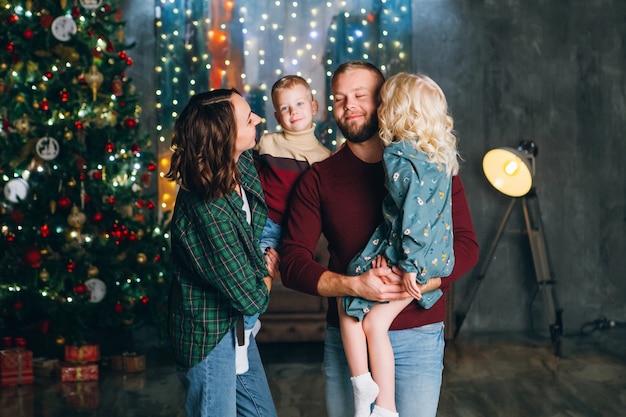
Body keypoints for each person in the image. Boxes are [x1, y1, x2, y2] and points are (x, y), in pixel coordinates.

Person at [279, 60, 479, 417]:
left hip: (417, 334)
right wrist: (354, 286)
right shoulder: (319, 178)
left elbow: (465, 245)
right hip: (349, 339)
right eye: (339, 98)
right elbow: (293, 264)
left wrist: (419, 281)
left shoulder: (429, 166)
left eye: (359, 95)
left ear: (384, 101)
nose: (348, 105)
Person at [339, 72, 459, 417]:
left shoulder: (400, 156)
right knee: (363, 308)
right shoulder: (437, 154)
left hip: (416, 257)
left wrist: (407, 266)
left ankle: (382, 403)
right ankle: (376, 398)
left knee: (364, 315)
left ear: (393, 110)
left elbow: (413, 219)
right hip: (433, 255)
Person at [166, 89, 280, 417]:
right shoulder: (209, 209)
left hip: (237, 329)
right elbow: (253, 299)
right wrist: (266, 272)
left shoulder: (238, 162)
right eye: (248, 119)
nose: (258, 119)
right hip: (209, 336)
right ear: (225, 137)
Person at [240, 75, 331, 360]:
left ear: (314, 106)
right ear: (277, 115)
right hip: (253, 217)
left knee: (265, 270)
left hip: (282, 229)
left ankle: (246, 327)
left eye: (300, 104)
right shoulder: (268, 142)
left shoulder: (323, 158)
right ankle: (238, 325)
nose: (294, 112)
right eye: (286, 108)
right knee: (239, 269)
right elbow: (242, 171)